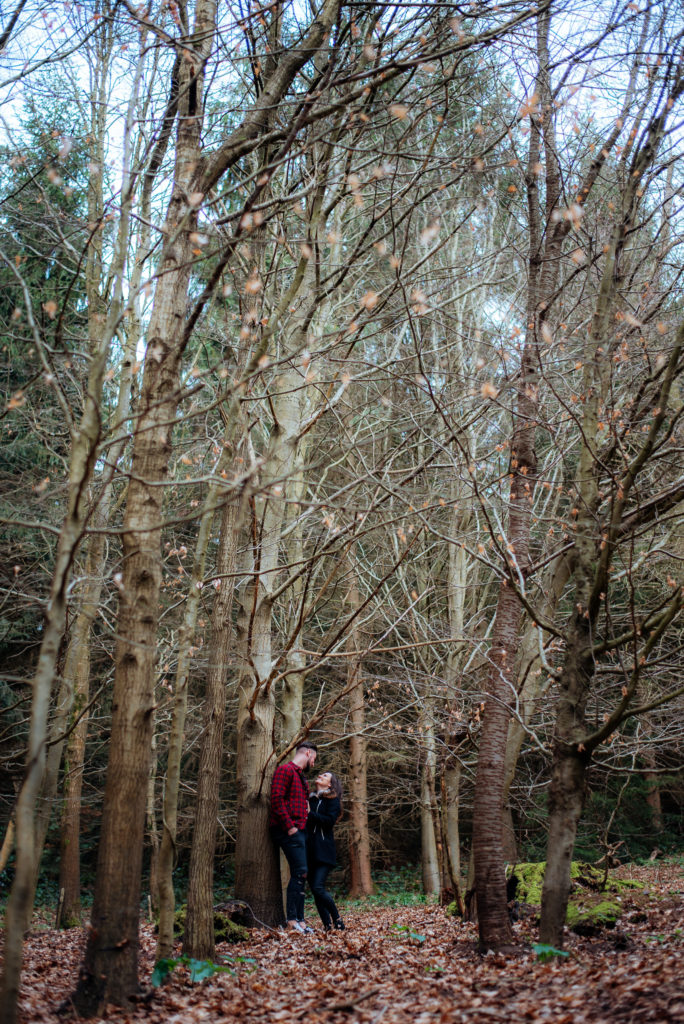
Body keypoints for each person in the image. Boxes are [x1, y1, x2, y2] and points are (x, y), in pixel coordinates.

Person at [269, 740, 318, 933]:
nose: (313, 763)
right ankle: (292, 921)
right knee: (300, 872)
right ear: (308, 753)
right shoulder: (285, 770)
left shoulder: (301, 777)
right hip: (287, 830)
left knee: (302, 873)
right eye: (314, 758)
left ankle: (301, 921)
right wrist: (290, 827)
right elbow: (276, 799)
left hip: (300, 830)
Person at [306, 770, 345, 931]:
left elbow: (329, 821)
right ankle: (327, 925)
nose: (320, 776)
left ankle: (337, 919)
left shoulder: (332, 800)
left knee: (318, 888)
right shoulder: (310, 799)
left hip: (324, 851)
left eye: (325, 776)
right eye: (321, 775)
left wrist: (310, 814)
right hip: (308, 850)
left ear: (330, 784)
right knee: (315, 891)